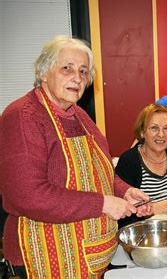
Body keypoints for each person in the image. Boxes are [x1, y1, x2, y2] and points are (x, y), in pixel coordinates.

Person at [0, 35, 151, 278]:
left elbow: (100, 173)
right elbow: (26, 196)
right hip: (44, 259)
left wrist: (123, 191)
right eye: (66, 68)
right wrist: (103, 203)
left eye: (83, 71)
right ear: (43, 73)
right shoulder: (22, 116)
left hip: (87, 257)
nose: (77, 78)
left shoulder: (80, 115)